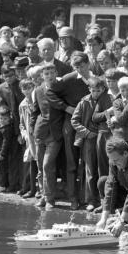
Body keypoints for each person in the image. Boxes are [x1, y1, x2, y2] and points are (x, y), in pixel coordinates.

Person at [46, 51, 91, 210]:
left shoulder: (95, 79)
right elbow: (50, 92)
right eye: (76, 66)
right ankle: (73, 198)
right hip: (70, 126)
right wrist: (66, 107)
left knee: (88, 162)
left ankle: (88, 198)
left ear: (88, 63)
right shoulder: (69, 79)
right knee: (72, 162)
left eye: (82, 65)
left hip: (90, 125)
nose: (79, 69)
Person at [30, 63, 64, 209]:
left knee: (47, 164)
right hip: (40, 132)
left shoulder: (61, 88)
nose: (49, 76)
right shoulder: (38, 90)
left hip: (55, 133)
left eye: (51, 72)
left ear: (56, 72)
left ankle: (50, 198)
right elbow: (35, 111)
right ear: (42, 76)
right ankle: (43, 195)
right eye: (46, 74)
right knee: (40, 166)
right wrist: (32, 128)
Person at [71, 78, 105, 212]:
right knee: (90, 170)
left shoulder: (107, 99)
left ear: (103, 89)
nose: (96, 93)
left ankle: (104, 199)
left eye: (98, 90)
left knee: (102, 169)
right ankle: (91, 200)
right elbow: (74, 121)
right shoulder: (84, 102)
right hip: (89, 139)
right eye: (93, 90)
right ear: (89, 89)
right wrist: (86, 132)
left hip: (103, 137)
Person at [0, 64, 25, 193]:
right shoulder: (1, 88)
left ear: (15, 74)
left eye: (11, 75)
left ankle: (21, 184)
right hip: (9, 126)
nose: (8, 78)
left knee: (21, 158)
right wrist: (3, 118)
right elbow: (2, 105)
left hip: (22, 124)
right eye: (6, 76)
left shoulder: (21, 85)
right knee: (11, 157)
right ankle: (11, 183)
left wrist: (20, 130)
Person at [18, 79, 38, 198]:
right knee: (31, 164)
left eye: (29, 88)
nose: (27, 91)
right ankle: (31, 189)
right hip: (29, 139)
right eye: (24, 88)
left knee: (40, 164)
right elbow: (21, 124)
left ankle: (40, 190)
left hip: (40, 136)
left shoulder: (37, 100)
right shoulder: (22, 105)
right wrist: (24, 134)